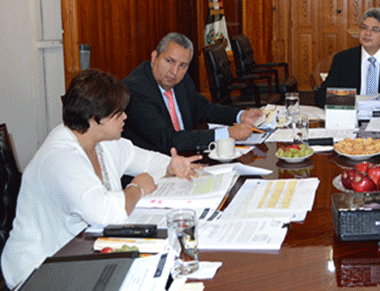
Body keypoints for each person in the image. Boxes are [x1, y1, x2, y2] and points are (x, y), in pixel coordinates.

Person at [1, 69, 202, 289]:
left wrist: (170, 165)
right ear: (96, 119)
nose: (125, 116)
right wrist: (136, 188)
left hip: (82, 251)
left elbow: (142, 160)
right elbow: (104, 213)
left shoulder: (101, 141)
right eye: (118, 113)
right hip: (40, 268)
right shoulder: (61, 157)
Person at [123, 32, 262, 154]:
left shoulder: (181, 80)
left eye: (182, 65)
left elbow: (203, 108)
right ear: (154, 57)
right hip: (156, 167)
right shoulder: (136, 90)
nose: (174, 71)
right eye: (169, 61)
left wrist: (240, 116)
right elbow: (168, 140)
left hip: (188, 158)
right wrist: (226, 133)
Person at [315, 8, 380, 109]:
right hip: (354, 117)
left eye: (374, 30)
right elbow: (321, 96)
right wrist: (344, 100)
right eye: (364, 28)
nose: (367, 33)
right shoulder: (343, 59)